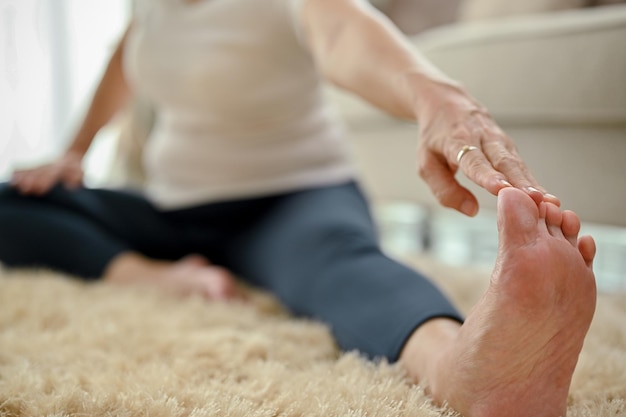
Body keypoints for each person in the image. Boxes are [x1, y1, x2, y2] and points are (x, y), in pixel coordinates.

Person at [0, 0, 597, 416]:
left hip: (293, 199)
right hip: (177, 206)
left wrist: (431, 94)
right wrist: (73, 152)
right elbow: (121, 66)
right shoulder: (151, 7)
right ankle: (155, 276)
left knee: (340, 268)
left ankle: (463, 370)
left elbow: (341, 29)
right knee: (15, 202)